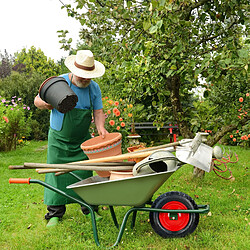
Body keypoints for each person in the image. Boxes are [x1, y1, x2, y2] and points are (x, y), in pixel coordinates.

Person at [34, 50, 108, 227]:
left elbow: (98, 112)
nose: (84, 79)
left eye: (88, 77)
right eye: (82, 76)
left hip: (81, 141)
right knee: (55, 174)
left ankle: (89, 208)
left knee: (84, 173)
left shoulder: (94, 88)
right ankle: (55, 214)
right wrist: (45, 103)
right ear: (74, 70)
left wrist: (101, 128)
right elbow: (37, 100)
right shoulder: (60, 82)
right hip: (59, 139)